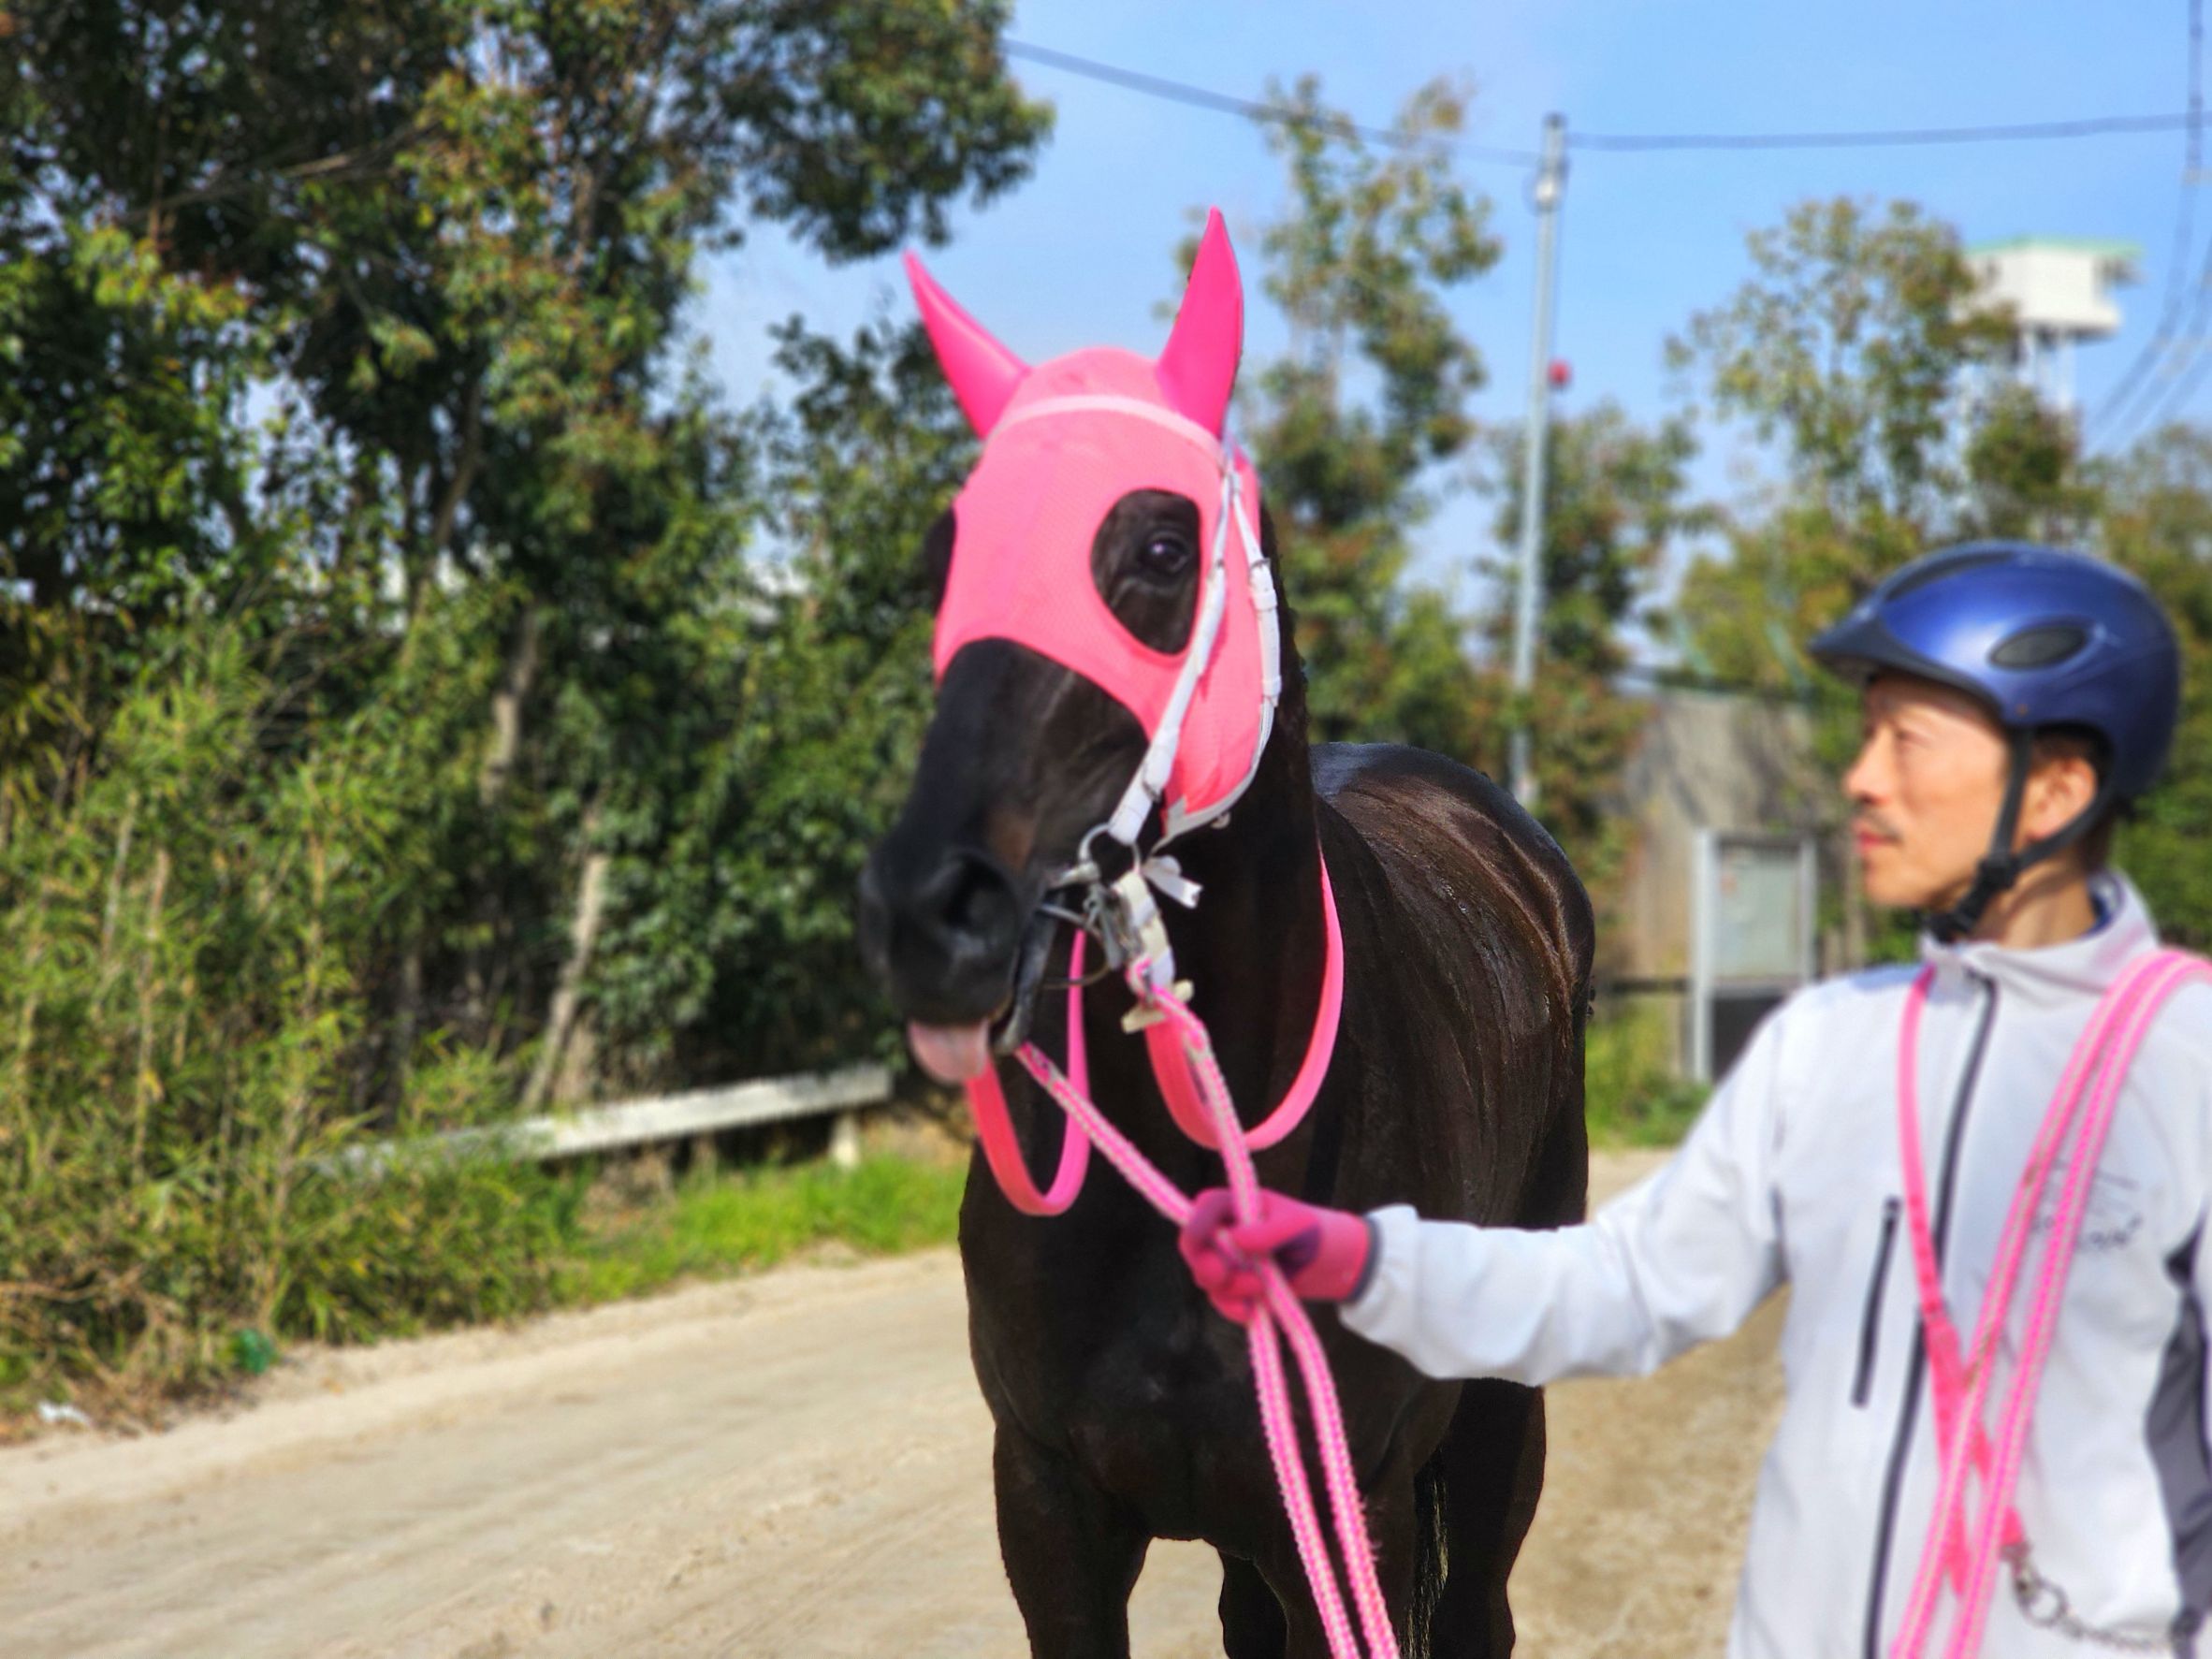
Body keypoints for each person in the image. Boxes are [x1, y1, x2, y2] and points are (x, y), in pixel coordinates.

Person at [1179, 542, 2210, 1658]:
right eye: (1865, 736)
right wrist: (1357, 1258)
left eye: (1905, 741)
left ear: (2056, 790)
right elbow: (1632, 1285)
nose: (1862, 779)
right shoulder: (1828, 1045)